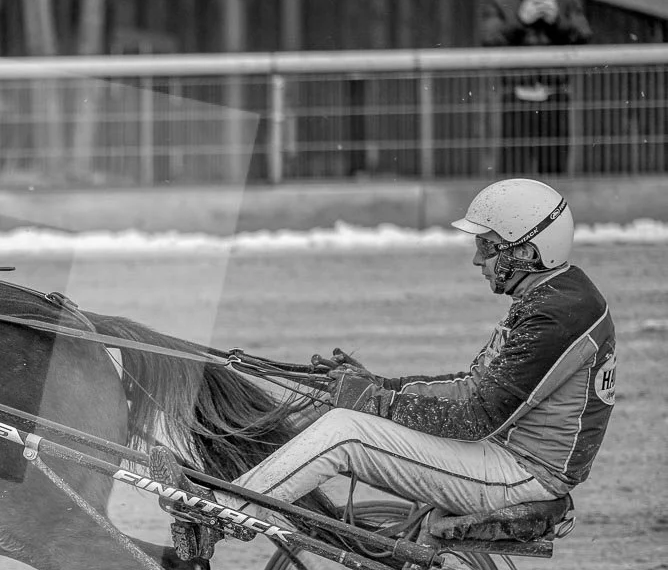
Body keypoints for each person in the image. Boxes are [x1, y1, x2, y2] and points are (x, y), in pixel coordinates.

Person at [226, 178, 616, 525]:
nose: (477, 259)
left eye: (487, 246)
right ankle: (227, 475)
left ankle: (224, 511)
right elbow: (470, 388)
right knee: (322, 404)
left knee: (345, 432)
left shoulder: (558, 315)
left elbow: (479, 417)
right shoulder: (552, 297)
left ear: (526, 253)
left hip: (523, 474)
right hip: (499, 452)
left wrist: (377, 402)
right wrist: (377, 385)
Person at [482, 0, 592, 176]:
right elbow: (489, 38)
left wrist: (557, 20)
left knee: (554, 167)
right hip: (516, 96)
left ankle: (550, 206)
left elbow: (583, 35)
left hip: (555, 94)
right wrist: (520, 20)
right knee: (513, 169)